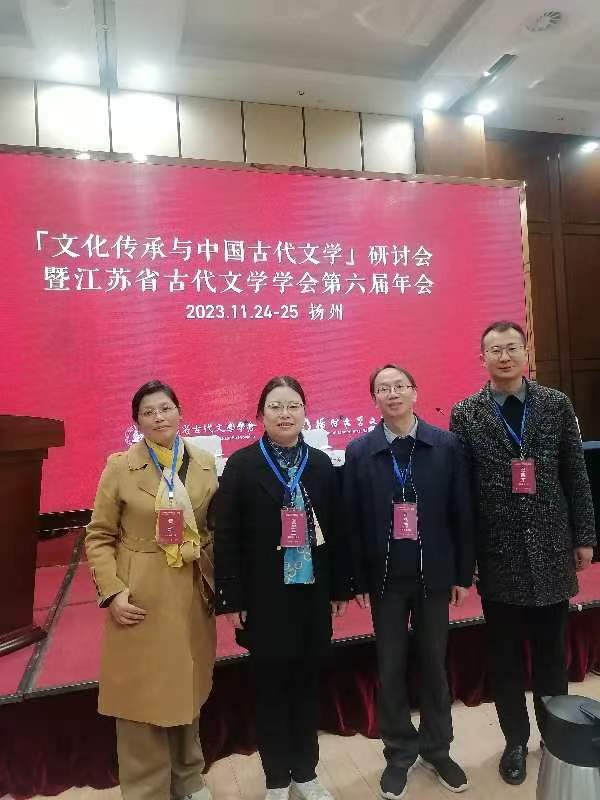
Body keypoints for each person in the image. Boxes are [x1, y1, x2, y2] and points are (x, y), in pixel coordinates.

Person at [450, 321, 597, 786]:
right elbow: (462, 492)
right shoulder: (466, 413)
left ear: (525, 352)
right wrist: (468, 555)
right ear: (482, 358)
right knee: (506, 658)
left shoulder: (556, 404)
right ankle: (514, 741)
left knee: (552, 655)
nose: (504, 356)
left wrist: (584, 537)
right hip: (499, 553)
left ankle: (554, 738)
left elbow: (576, 475)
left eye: (512, 347)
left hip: (552, 546)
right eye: (495, 350)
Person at [214, 376, 350, 800]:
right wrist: (231, 597)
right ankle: (276, 779)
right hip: (263, 597)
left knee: (308, 686)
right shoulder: (241, 466)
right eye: (275, 406)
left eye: (293, 406)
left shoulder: (322, 465)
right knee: (269, 690)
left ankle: (306, 774)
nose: (285, 414)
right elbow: (226, 535)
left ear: (305, 412)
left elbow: (339, 531)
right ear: (261, 414)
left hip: (312, 594)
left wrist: (340, 588)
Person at [344, 364, 474, 799]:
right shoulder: (360, 452)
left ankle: (438, 749)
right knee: (391, 666)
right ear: (374, 399)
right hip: (386, 581)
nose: (392, 393)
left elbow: (462, 511)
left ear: (415, 392)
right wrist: (357, 579)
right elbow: (352, 522)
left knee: (434, 664)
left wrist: (461, 572)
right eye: (383, 388)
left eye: (399, 386)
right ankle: (399, 752)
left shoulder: (445, 445)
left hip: (434, 575)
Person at [86, 380, 218, 800]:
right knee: (140, 698)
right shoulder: (120, 468)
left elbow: (215, 528)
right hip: (140, 593)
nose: (159, 417)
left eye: (165, 408)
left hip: (191, 591)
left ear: (180, 412)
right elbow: (99, 535)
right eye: (148, 412)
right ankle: (147, 790)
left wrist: (217, 580)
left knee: (187, 686)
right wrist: (113, 591)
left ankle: (189, 778)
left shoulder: (203, 462)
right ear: (137, 422)